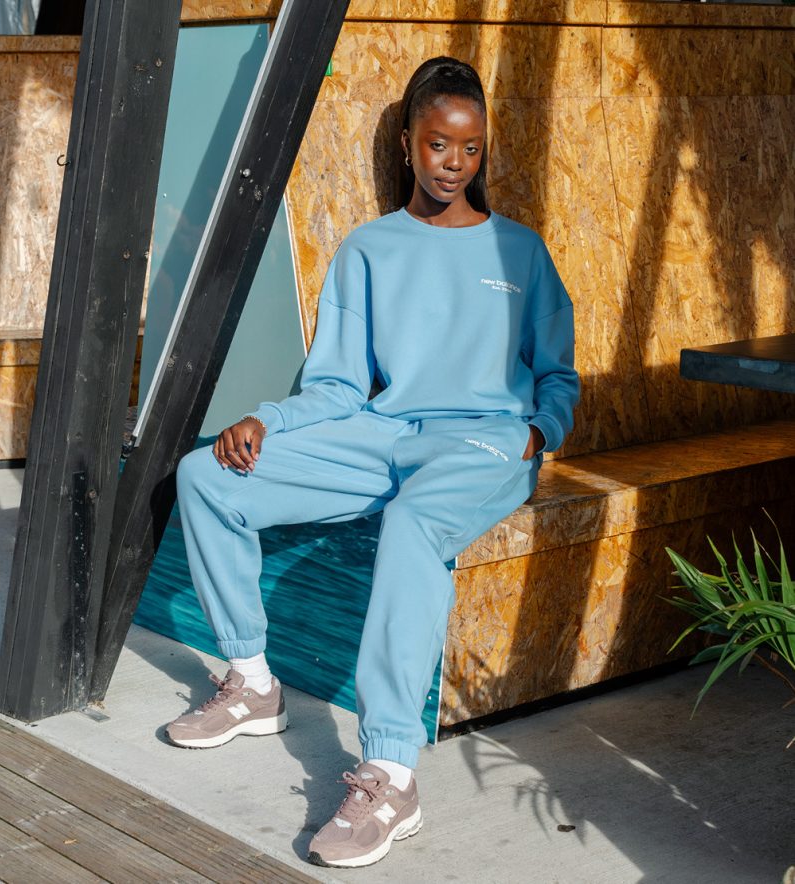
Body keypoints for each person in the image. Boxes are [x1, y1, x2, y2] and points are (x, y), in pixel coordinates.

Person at [167, 56, 580, 869]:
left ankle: (390, 775)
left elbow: (558, 373)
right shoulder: (369, 248)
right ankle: (252, 681)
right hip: (381, 432)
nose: (454, 164)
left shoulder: (520, 251)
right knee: (206, 475)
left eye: (470, 148)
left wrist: (539, 433)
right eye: (438, 145)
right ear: (407, 144)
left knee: (414, 522)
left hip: (482, 442)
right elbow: (338, 385)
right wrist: (266, 420)